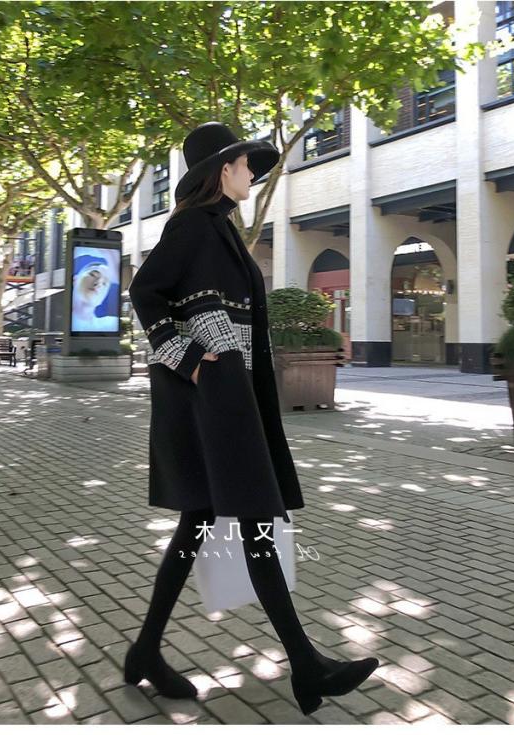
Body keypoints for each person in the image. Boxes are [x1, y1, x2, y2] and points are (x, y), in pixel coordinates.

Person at [125, 121, 380, 717]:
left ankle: (145, 650)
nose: (252, 175)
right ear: (223, 170)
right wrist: (189, 359)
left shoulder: (219, 228)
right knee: (257, 517)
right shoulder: (194, 225)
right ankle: (307, 666)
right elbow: (144, 291)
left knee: (201, 520)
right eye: (244, 165)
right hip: (214, 398)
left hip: (230, 394)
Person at [71, 258, 117, 332]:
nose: (98, 283)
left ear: (102, 300)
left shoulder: (110, 325)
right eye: (93, 275)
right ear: (75, 280)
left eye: (104, 283)